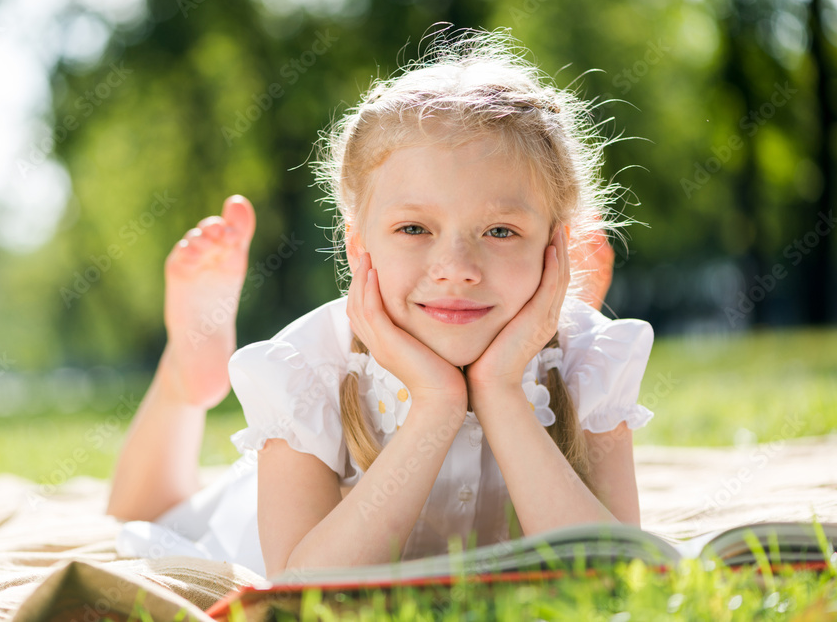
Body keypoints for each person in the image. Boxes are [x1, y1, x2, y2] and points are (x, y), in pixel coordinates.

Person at [107, 28, 653, 580]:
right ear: (358, 248)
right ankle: (183, 376)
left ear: (556, 247)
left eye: (500, 231)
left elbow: (614, 573)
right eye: (414, 228)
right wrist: (436, 404)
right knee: (148, 520)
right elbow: (301, 590)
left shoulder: (589, 361)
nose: (456, 266)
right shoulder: (309, 369)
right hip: (253, 523)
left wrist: (502, 391)